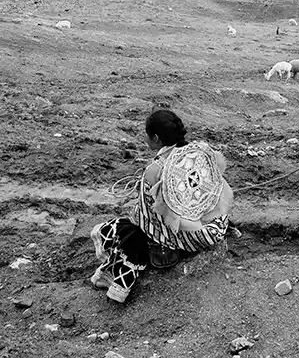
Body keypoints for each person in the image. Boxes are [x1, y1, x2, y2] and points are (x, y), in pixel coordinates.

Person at [89, 109, 233, 302]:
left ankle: (115, 279)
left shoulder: (154, 170)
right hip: (215, 227)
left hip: (193, 237)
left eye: (147, 135)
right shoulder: (198, 151)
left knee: (123, 230)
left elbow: (146, 217)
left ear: (156, 138)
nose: (145, 138)